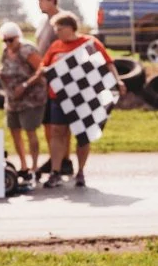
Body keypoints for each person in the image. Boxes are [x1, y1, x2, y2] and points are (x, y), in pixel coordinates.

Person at [32, 11, 126, 189]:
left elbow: (108, 63)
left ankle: (80, 172)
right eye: (55, 29)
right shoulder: (55, 46)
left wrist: (117, 80)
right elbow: (44, 66)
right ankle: (56, 171)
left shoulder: (89, 43)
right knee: (57, 131)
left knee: (83, 134)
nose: (57, 32)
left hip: (85, 98)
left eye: (59, 29)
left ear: (70, 27)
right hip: (58, 98)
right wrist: (43, 72)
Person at [0, 21, 47, 182]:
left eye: (11, 40)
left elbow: (41, 70)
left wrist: (25, 85)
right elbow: (5, 69)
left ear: (18, 37)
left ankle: (34, 166)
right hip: (12, 100)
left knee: (30, 131)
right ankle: (23, 165)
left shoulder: (27, 50)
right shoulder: (5, 52)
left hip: (30, 99)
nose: (8, 43)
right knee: (14, 130)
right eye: (5, 40)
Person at [32, 0, 68, 176]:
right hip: (44, 76)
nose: (39, 4)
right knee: (48, 121)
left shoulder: (62, 19)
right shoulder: (42, 22)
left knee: (62, 121)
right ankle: (56, 158)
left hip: (61, 77)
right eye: (38, 0)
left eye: (42, 0)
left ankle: (65, 159)